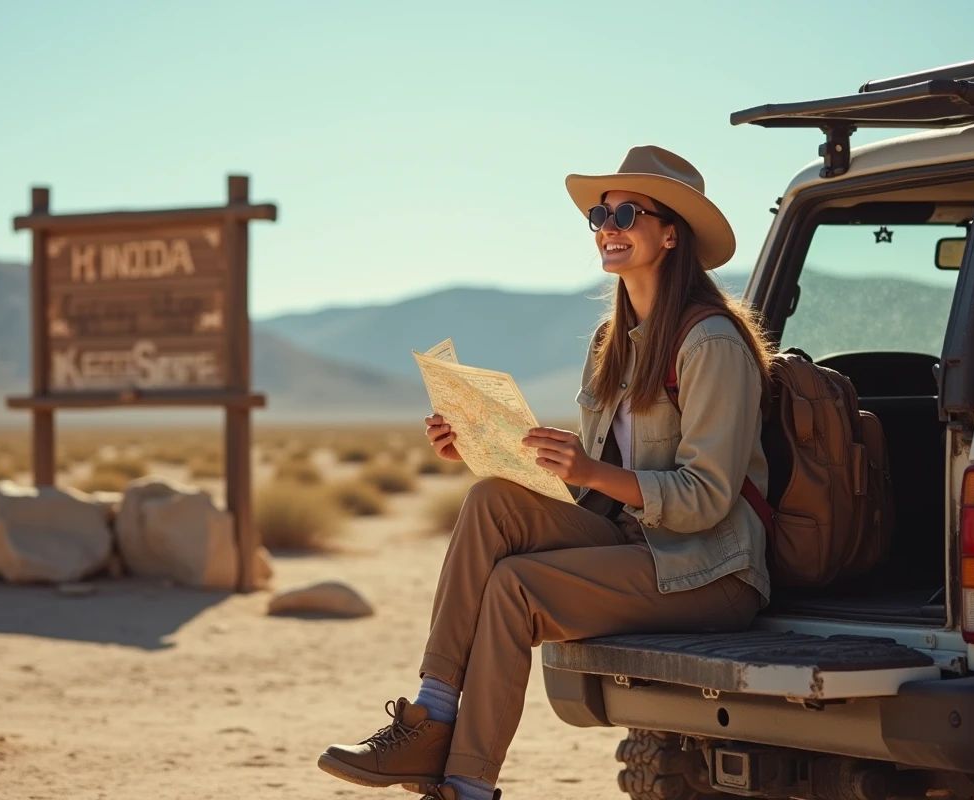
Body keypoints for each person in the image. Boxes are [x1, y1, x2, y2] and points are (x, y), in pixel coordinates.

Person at [317, 145, 774, 800]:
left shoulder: (712, 344)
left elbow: (705, 500)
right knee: (491, 500)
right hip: (633, 546)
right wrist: (482, 445)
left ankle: (466, 787)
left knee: (516, 587)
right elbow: (591, 494)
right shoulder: (609, 342)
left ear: (670, 234)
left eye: (625, 212)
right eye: (598, 213)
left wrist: (589, 467)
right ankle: (431, 714)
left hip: (708, 570)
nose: (606, 227)